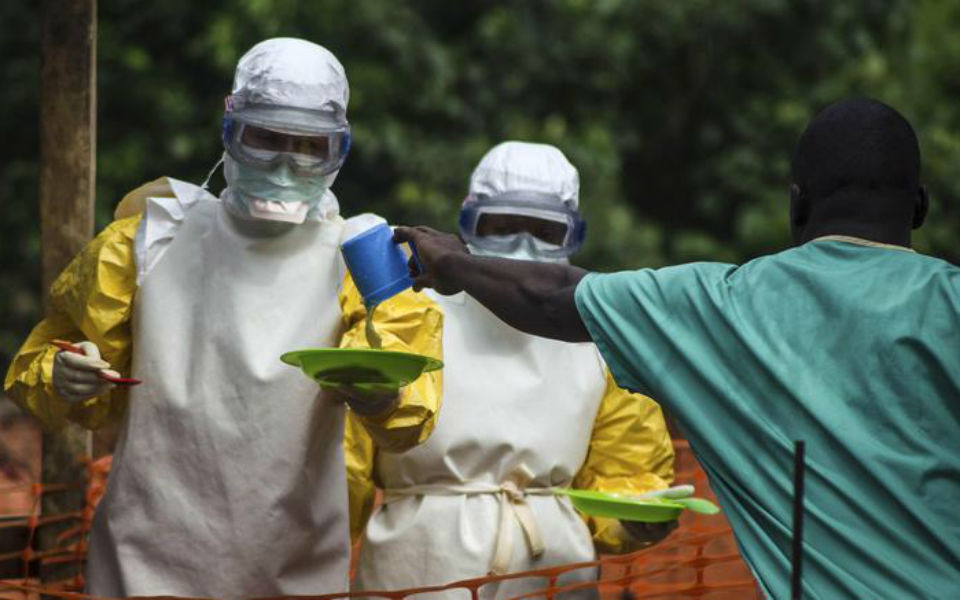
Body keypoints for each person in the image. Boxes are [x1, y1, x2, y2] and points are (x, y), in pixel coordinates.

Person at [393, 98, 960, 599]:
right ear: (919, 207)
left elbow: (552, 297)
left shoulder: (720, 306)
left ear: (796, 205)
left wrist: (452, 261)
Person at [4, 38, 442, 598]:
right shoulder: (148, 240)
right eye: (266, 139)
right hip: (144, 559)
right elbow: (41, 368)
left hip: (293, 563)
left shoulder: (361, 258)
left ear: (339, 150)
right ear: (230, 127)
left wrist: (383, 396)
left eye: (308, 146)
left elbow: (412, 414)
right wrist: (63, 373)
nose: (285, 164)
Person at [346, 142, 676, 599]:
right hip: (420, 565)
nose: (523, 246)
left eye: (544, 230)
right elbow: (347, 466)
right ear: (468, 226)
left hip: (555, 571)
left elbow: (627, 469)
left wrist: (638, 516)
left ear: (571, 235)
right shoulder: (416, 310)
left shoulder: (596, 340)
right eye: (501, 227)